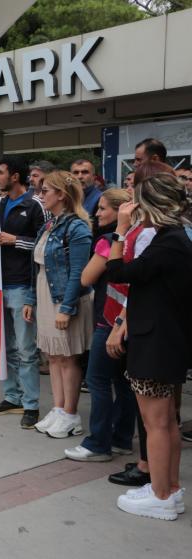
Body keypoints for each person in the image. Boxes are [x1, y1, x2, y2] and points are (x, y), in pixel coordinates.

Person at [107, 171, 191, 521]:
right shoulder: (174, 238)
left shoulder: (170, 240)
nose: (132, 205)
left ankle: (160, 495)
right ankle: (168, 488)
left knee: (156, 422)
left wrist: (120, 230)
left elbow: (117, 272)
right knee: (167, 421)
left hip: (155, 341)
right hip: (165, 339)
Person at [64, 188, 136, 461]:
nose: (97, 213)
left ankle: (98, 443)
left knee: (97, 380)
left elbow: (85, 278)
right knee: (124, 382)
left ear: (121, 212)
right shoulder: (140, 239)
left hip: (109, 319)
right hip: (130, 319)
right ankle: (121, 439)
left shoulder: (108, 241)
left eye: (104, 208)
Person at [24, 171, 93, 438]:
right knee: (53, 356)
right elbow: (37, 267)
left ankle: (70, 414)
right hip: (45, 294)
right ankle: (59, 408)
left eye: (45, 191)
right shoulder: (49, 224)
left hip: (63, 297)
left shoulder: (77, 226)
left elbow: (78, 271)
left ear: (61, 195)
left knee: (67, 357)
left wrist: (66, 307)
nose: (40, 196)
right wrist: (32, 298)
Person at [0, 156, 46, 428]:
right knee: (7, 347)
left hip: (22, 285)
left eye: (0, 173)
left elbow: (44, 244)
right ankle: (12, 397)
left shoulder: (34, 206)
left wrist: (16, 241)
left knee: (26, 349)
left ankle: (31, 404)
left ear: (15, 177)